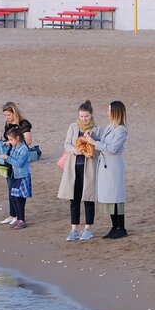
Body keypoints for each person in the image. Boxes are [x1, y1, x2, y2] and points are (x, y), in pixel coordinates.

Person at [57, 100, 99, 241]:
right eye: (81, 116)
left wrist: (90, 141)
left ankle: (87, 228)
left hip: (89, 167)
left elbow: (98, 147)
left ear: (91, 115)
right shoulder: (73, 127)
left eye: (86, 116)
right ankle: (74, 229)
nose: (83, 119)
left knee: (88, 197)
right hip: (73, 167)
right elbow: (66, 145)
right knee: (73, 198)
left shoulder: (96, 129)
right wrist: (76, 151)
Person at [92, 100, 128, 238]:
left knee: (116, 196)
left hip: (113, 167)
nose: (107, 113)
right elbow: (102, 139)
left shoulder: (121, 130)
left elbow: (113, 149)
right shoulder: (109, 127)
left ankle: (121, 227)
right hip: (105, 166)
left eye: (109, 110)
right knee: (109, 196)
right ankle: (114, 227)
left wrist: (94, 143)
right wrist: (92, 137)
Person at [0, 102, 34, 226]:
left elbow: (28, 141)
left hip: (17, 158)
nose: (6, 117)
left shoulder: (24, 124)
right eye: (5, 115)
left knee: (18, 190)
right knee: (10, 187)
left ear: (14, 112)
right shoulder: (7, 124)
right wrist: (6, 143)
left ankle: (20, 217)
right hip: (8, 157)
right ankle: (13, 215)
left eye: (8, 115)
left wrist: (13, 142)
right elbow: (7, 137)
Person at [2, 125, 32, 229]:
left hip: (23, 176)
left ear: (17, 138)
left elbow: (19, 163)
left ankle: (22, 220)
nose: (10, 141)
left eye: (11, 139)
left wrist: (7, 158)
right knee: (14, 197)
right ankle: (18, 219)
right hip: (16, 175)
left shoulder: (23, 149)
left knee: (19, 198)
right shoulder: (15, 147)